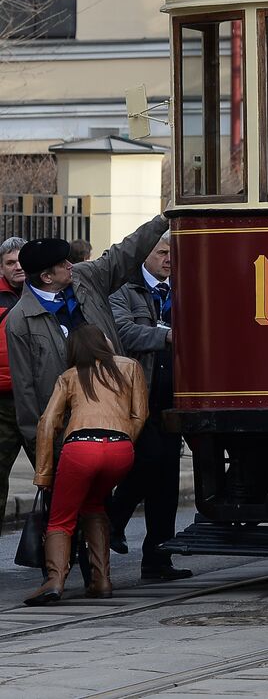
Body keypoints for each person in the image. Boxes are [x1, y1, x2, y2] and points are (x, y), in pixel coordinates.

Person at [6, 215, 168, 452]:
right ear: (46, 277)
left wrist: (162, 220)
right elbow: (25, 390)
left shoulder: (85, 277)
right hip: (68, 431)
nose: (71, 265)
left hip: (114, 416)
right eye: (62, 264)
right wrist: (41, 449)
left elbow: (123, 254)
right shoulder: (21, 320)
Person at [25, 325, 147, 605]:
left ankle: (55, 582)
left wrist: (43, 473)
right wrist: (124, 442)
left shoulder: (69, 376)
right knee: (94, 506)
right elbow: (140, 415)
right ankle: (101, 581)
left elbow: (47, 424)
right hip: (120, 450)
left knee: (61, 518)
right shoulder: (130, 367)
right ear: (104, 342)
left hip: (81, 448)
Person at [107, 234, 191, 580]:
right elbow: (123, 331)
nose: (168, 259)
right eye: (161, 253)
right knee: (147, 461)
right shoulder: (123, 289)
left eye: (173, 253)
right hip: (137, 395)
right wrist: (168, 335)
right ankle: (112, 519)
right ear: (145, 255)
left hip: (172, 395)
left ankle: (158, 558)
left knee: (167, 479)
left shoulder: (181, 287)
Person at [0, 235, 26, 529]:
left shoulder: (49, 292)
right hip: (3, 402)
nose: (17, 266)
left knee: (55, 477)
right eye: (10, 263)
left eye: (21, 261)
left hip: (40, 400)